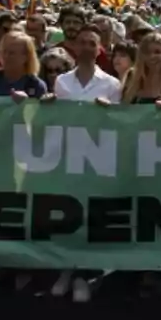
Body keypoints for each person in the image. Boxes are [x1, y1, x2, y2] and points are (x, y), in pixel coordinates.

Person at [44, 24, 119, 304]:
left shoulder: (112, 85)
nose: (87, 47)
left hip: (97, 160)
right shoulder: (62, 82)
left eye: (92, 43)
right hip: (68, 158)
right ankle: (67, 269)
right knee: (68, 216)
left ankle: (84, 275)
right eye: (82, 42)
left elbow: (121, 125)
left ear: (99, 49)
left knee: (92, 219)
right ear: (74, 48)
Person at [0, 31, 47, 99]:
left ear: (25, 56)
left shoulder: (36, 85)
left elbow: (39, 113)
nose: (6, 56)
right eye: (4, 51)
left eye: (11, 53)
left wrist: (26, 103)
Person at [121, 32, 161, 105]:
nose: (152, 56)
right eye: (147, 53)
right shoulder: (131, 77)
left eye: (157, 52)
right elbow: (122, 109)